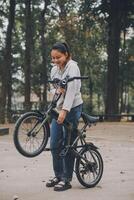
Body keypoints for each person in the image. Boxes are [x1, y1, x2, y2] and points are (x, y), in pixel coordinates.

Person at [46, 42, 83, 191]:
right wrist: (55, 101)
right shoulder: (54, 69)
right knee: (54, 143)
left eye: (58, 57)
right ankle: (59, 175)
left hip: (72, 108)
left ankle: (67, 179)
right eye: (53, 58)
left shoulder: (73, 67)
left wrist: (65, 110)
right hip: (59, 107)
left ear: (66, 54)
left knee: (68, 144)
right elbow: (53, 89)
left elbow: (72, 91)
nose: (55, 61)